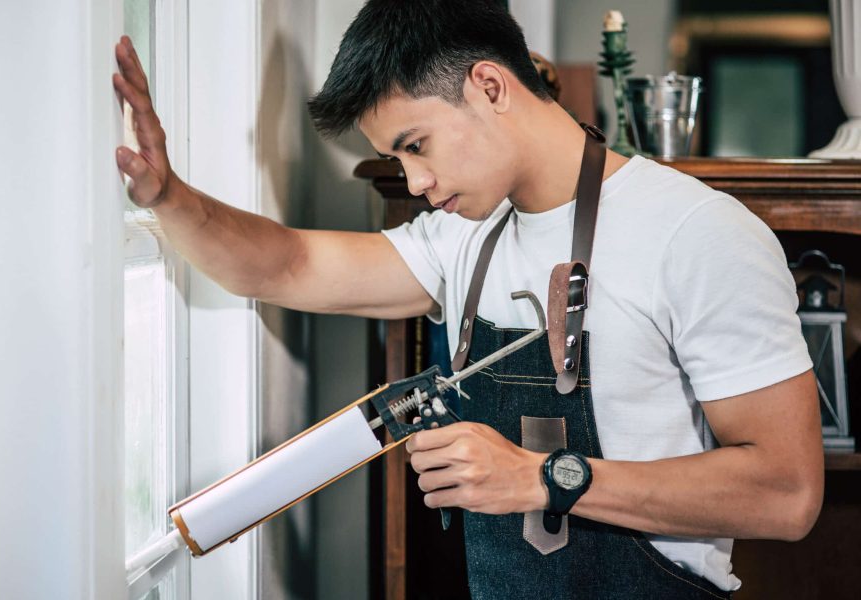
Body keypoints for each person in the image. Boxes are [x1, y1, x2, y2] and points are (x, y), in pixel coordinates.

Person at [112, 0, 823, 597]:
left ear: (488, 85)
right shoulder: (463, 241)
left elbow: (787, 493)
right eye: (399, 159)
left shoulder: (698, 232)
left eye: (415, 144)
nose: (414, 181)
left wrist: (546, 479)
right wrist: (168, 196)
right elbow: (286, 266)